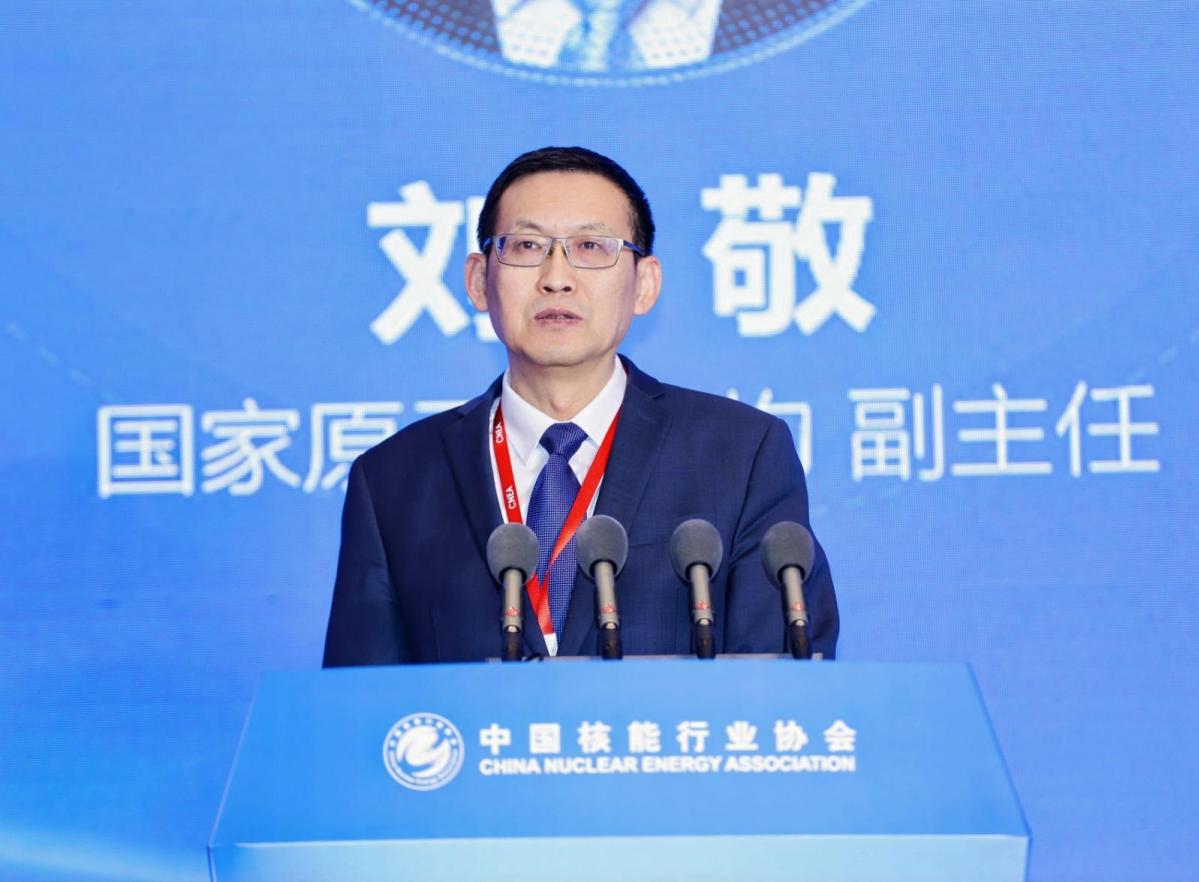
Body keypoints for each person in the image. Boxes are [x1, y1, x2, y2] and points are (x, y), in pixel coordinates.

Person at [323, 147, 837, 665]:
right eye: (527, 245)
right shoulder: (393, 478)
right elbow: (359, 699)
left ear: (644, 284)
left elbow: (778, 683)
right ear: (479, 281)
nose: (557, 277)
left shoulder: (741, 454)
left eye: (591, 246)